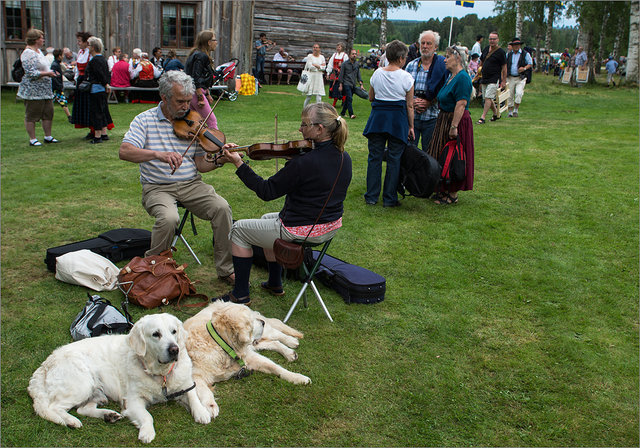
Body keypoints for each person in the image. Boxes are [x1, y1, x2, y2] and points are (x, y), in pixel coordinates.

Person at [214, 102, 353, 305]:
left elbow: (266, 191)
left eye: (305, 124)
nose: (300, 129)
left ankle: (240, 294)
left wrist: (238, 163)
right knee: (265, 219)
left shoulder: (303, 163)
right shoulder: (343, 156)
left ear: (320, 129)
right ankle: (274, 282)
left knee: (238, 229)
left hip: (301, 230)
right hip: (329, 226)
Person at [118, 70, 235, 285]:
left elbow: (201, 164)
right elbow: (124, 151)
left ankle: (226, 269)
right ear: (164, 98)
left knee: (222, 208)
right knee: (169, 218)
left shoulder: (194, 122)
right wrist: (157, 155)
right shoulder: (144, 120)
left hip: (191, 184)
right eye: (180, 101)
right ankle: (152, 268)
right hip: (157, 186)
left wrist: (220, 161)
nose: (186, 106)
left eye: (188, 101)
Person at [363, 40, 415, 208]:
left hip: (378, 118)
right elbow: (410, 105)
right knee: (394, 159)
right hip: (397, 120)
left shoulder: (377, 73)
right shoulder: (406, 77)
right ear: (401, 58)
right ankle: (389, 198)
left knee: (374, 158)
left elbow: (371, 97)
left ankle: (371, 196)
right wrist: (411, 126)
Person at [427, 45, 474, 205]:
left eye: (448, 57)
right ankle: (444, 189)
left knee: (454, 155)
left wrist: (454, 127)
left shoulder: (462, 78)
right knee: (443, 154)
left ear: (458, 58)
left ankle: (452, 193)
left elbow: (461, 103)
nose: (445, 60)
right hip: (444, 119)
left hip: (456, 121)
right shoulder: (451, 76)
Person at [405, 30, 447, 152]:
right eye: (423, 43)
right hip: (412, 118)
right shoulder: (411, 66)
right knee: (409, 153)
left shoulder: (442, 66)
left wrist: (429, 102)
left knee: (430, 154)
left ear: (436, 47)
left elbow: (445, 90)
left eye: (429, 43)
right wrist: (413, 102)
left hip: (432, 118)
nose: (425, 46)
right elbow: (404, 89)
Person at [17, 28, 59, 146]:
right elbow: (31, 73)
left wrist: (51, 72)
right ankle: (33, 139)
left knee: (48, 112)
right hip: (33, 90)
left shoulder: (39, 51)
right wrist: (47, 74)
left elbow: (44, 66)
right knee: (32, 114)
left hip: (45, 88)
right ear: (35, 40)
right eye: (41, 38)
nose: (43, 40)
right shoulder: (27, 53)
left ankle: (48, 136)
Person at [185, 29, 219, 130]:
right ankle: (217, 144)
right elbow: (196, 77)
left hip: (192, 92)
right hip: (195, 93)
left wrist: (207, 94)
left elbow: (203, 77)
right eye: (214, 40)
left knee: (194, 122)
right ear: (209, 42)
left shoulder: (196, 54)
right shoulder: (201, 56)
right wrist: (200, 97)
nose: (216, 42)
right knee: (211, 120)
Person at [85, 36, 113, 143]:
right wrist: (107, 84)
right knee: (103, 110)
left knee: (96, 111)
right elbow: (106, 74)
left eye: (88, 45)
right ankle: (104, 133)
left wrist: (105, 83)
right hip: (102, 89)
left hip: (96, 89)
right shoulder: (103, 59)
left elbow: (99, 74)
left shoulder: (94, 61)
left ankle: (97, 136)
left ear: (93, 47)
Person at [477, 31, 507, 124]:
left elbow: (504, 67)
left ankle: (483, 117)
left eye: (494, 39)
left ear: (498, 40)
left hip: (494, 78)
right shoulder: (486, 49)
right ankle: (496, 114)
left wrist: (503, 81)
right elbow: (481, 62)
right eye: (490, 39)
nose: (492, 41)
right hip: (485, 77)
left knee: (488, 97)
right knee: (487, 98)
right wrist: (478, 72)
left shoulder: (501, 52)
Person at [71, 31, 93, 137]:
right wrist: (76, 79)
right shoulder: (80, 52)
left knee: (89, 105)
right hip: (80, 80)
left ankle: (94, 129)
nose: (78, 43)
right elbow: (77, 68)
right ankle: (89, 128)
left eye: (80, 41)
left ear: (86, 42)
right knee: (83, 105)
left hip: (87, 80)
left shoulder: (90, 53)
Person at [505, 37, 533, 118]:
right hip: (510, 77)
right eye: (515, 45)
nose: (517, 46)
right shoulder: (508, 54)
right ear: (512, 46)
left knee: (519, 93)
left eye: (518, 45)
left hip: (520, 77)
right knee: (510, 95)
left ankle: (516, 110)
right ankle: (510, 112)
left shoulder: (525, 54)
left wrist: (524, 68)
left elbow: (530, 63)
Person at [338, 48, 364, 119]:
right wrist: (340, 85)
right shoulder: (344, 64)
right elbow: (341, 75)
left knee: (348, 99)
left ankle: (342, 113)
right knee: (349, 98)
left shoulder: (356, 64)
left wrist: (361, 84)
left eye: (355, 54)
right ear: (349, 55)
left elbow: (358, 75)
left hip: (353, 84)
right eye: (353, 54)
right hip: (346, 83)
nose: (354, 55)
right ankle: (351, 114)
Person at [299, 43, 326, 108]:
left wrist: (316, 65)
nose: (315, 49)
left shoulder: (322, 57)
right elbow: (310, 66)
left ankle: (318, 111)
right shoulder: (310, 56)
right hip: (311, 76)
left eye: (317, 47)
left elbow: (324, 67)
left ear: (319, 49)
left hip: (319, 77)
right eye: (314, 47)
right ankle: (305, 110)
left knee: (319, 97)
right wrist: (319, 66)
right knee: (309, 96)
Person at [51, 49, 71, 122]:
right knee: (50, 103)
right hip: (55, 87)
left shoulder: (57, 64)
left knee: (63, 102)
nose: (63, 57)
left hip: (57, 87)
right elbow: (54, 77)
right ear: (59, 56)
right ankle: (44, 117)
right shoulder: (55, 65)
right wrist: (59, 86)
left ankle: (69, 116)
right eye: (62, 55)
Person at [326, 42, 347, 107]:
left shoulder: (345, 56)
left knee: (341, 88)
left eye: (339, 47)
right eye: (337, 47)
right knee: (334, 88)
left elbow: (347, 65)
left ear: (342, 48)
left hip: (341, 74)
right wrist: (328, 73)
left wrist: (342, 65)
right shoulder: (334, 55)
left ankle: (343, 101)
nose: (338, 48)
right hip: (334, 74)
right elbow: (330, 64)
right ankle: (335, 102)